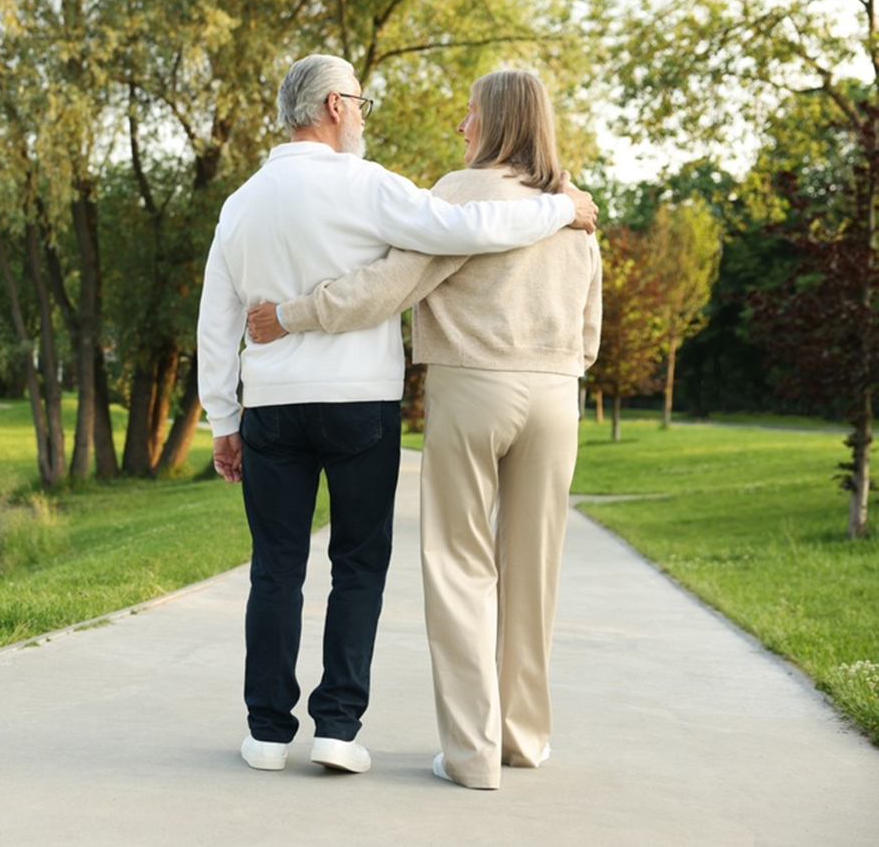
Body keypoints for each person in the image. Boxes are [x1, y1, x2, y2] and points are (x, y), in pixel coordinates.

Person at [197, 55, 599, 775]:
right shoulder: (374, 186)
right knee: (365, 564)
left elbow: (221, 317)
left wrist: (224, 416)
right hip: (384, 402)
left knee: (280, 567)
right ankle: (345, 729)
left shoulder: (241, 202)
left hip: (280, 407)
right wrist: (561, 209)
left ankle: (269, 733)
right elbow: (487, 244)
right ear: (334, 106)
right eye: (360, 101)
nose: (362, 114)